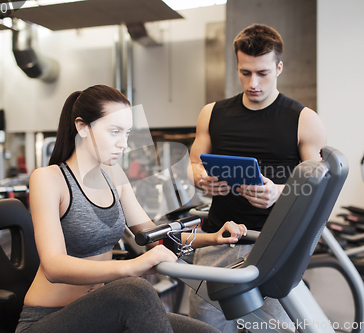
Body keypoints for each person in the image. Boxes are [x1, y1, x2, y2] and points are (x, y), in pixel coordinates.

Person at [16, 85, 248, 333]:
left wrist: (213, 238)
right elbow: (53, 266)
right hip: (50, 320)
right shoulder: (49, 179)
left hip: (103, 314)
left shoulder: (114, 175)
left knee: (205, 332)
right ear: (82, 127)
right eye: (114, 131)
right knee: (133, 289)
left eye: (126, 133)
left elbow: (155, 236)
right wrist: (132, 267)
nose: (123, 144)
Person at [187, 24, 327, 332]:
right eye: (245, 72)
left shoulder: (304, 120)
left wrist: (280, 192)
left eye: (262, 73)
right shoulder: (212, 113)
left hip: (273, 244)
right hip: (218, 237)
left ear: (279, 67)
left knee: (275, 327)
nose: (253, 82)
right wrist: (200, 178)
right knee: (204, 326)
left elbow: (318, 189)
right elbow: (195, 163)